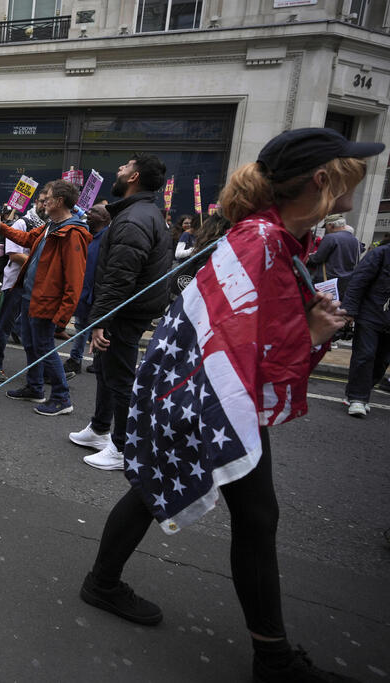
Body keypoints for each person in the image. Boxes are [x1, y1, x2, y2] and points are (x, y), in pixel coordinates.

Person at [78, 127, 381, 683]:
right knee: (254, 516)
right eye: (351, 175)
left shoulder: (274, 240)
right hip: (210, 395)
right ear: (322, 179)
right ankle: (273, 660)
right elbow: (243, 351)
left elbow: (251, 338)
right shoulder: (261, 242)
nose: (358, 187)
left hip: (202, 392)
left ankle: (103, 582)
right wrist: (313, 333)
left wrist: (305, 326)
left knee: (179, 494)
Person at [70, 153, 172, 470]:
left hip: (125, 312)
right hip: (127, 308)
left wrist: (101, 319)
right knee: (105, 368)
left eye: (125, 166)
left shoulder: (133, 219)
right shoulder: (140, 213)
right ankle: (100, 428)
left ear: (134, 177)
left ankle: (121, 447)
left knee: (121, 378)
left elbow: (119, 277)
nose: (119, 168)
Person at [0, 180, 91, 416]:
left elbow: (75, 280)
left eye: (47, 198)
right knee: (31, 345)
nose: (43, 202)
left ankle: (61, 397)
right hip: (31, 296)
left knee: (45, 348)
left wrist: (63, 317)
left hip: (46, 302)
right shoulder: (52, 225)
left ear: (59, 201)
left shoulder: (73, 233)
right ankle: (35, 387)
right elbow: (26, 238)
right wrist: (1, 226)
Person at [0, 192, 44, 381]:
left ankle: (44, 371)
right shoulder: (21, 224)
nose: (46, 205)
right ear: (36, 202)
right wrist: (42, 265)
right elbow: (14, 255)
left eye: (49, 201)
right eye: (43, 201)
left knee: (34, 330)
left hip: (35, 284)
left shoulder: (47, 226)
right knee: (4, 326)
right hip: (16, 284)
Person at [342, 240, 390, 417]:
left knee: (383, 361)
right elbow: (358, 282)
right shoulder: (381, 253)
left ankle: (357, 391)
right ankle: (358, 398)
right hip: (370, 314)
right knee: (365, 355)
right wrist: (349, 311)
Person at [65, 203, 110, 376]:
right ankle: (78, 359)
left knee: (95, 327)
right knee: (81, 325)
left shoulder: (107, 238)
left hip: (97, 293)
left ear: (104, 218)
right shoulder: (88, 234)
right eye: (89, 210)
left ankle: (92, 361)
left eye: (94, 212)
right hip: (84, 290)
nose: (89, 213)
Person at [308, 214, 361, 281]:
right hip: (347, 279)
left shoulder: (330, 237)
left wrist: (309, 257)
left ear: (331, 225)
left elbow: (317, 258)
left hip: (329, 279)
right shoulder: (355, 240)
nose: (326, 229)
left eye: (326, 227)